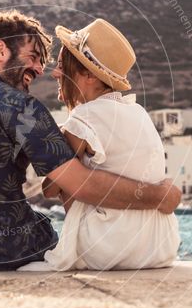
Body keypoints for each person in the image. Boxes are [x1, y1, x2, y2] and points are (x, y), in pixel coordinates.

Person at [0, 10, 181, 271]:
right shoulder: (21, 107)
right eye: (34, 57)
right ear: (1, 51)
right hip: (8, 251)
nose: (41, 69)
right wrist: (160, 196)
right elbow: (81, 185)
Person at [19, 19, 180, 271]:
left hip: (110, 249)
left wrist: (59, 141)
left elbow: (50, 189)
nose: (55, 73)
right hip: (160, 247)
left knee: (71, 179)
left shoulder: (85, 116)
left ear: (89, 75)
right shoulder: (138, 112)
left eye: (62, 66)